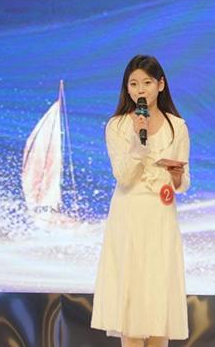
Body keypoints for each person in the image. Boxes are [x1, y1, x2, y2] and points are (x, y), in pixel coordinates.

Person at [91, 55, 191, 347]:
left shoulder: (177, 126)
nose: (140, 90)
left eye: (146, 82)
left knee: (159, 295)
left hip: (161, 216)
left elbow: (184, 182)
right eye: (133, 84)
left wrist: (176, 177)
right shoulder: (118, 126)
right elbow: (123, 176)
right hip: (129, 215)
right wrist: (138, 137)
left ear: (161, 85)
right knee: (131, 298)